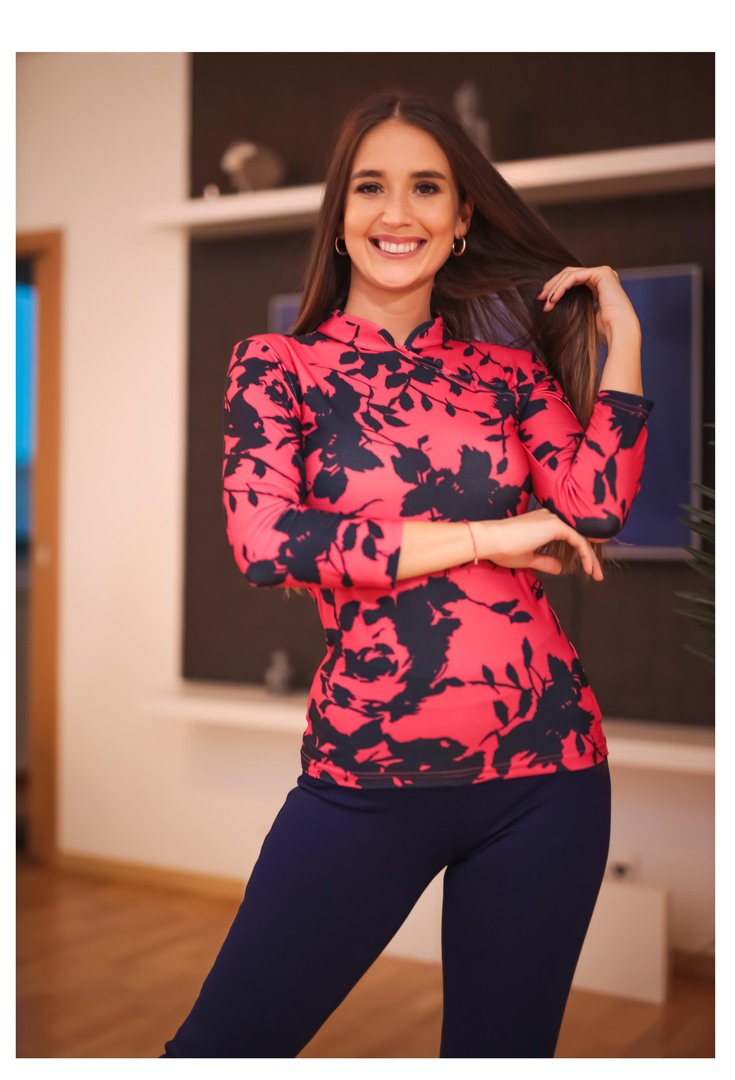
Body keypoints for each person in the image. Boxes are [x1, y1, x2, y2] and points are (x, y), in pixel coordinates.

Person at [162, 89, 653, 1059]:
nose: (398, 212)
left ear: (462, 217)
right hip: (369, 771)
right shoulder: (277, 367)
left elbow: (595, 504)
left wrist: (624, 344)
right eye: (370, 188)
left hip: (550, 774)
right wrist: (486, 537)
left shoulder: (505, 373)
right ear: (340, 216)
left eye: (427, 188)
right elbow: (269, 542)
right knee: (221, 1051)